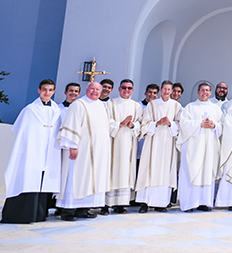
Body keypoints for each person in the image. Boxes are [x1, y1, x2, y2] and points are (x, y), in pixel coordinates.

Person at [1, 79, 62, 224]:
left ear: (54, 92)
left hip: (49, 152)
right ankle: (19, 215)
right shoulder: (30, 110)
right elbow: (20, 130)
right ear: (39, 90)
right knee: (27, 180)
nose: (47, 93)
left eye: (50, 90)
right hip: (32, 151)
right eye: (44, 89)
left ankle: (38, 214)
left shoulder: (56, 110)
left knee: (43, 182)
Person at [56, 81, 111, 221]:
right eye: (92, 89)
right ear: (87, 89)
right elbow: (71, 124)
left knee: (92, 179)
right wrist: (72, 146)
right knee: (75, 178)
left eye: (98, 90)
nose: (95, 92)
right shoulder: (78, 105)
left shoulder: (102, 106)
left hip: (97, 153)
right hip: (80, 151)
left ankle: (83, 210)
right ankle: (68, 211)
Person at [136, 81, 182, 213]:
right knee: (148, 169)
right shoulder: (152, 104)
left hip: (168, 142)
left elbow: (180, 126)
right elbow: (145, 125)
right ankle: (144, 203)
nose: (167, 92)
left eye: (169, 90)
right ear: (161, 90)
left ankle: (161, 203)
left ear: (172, 91)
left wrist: (170, 124)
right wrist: (157, 123)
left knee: (164, 170)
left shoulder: (176, 106)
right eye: (165, 89)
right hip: (153, 142)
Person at [177, 82, 222, 212]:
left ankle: (204, 202)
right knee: (191, 172)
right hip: (194, 146)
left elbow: (222, 125)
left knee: (207, 172)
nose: (205, 92)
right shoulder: (190, 107)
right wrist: (199, 124)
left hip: (209, 147)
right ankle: (189, 203)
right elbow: (183, 124)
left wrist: (214, 126)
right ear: (198, 92)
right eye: (202, 90)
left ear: (210, 92)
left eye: (207, 90)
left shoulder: (216, 109)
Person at [102, 79, 143, 215]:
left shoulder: (136, 106)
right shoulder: (110, 104)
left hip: (129, 144)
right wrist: (119, 124)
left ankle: (120, 204)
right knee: (111, 171)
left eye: (129, 88)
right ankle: (106, 204)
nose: (126, 90)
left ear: (133, 90)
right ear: (119, 89)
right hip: (114, 142)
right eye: (124, 88)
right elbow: (106, 123)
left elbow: (140, 125)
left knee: (125, 172)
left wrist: (131, 125)